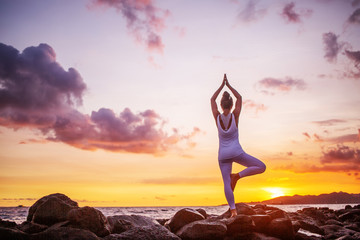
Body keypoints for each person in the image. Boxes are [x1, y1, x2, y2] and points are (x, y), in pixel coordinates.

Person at [211, 74, 266, 218]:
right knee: (261, 167)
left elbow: (212, 100)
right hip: (236, 152)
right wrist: (228, 85)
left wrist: (221, 86)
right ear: (230, 105)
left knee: (225, 183)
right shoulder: (235, 116)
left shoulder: (217, 117)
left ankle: (233, 210)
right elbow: (239, 98)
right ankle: (238, 176)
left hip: (223, 155)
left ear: (222, 105)